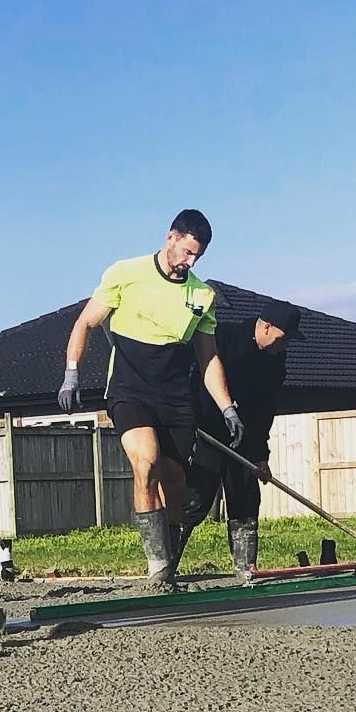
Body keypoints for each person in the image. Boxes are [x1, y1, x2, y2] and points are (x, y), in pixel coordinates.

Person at [58, 210, 243, 587]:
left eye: (197, 257)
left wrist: (228, 407)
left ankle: (169, 560)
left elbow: (208, 357)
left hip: (174, 397)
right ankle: (156, 566)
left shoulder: (202, 296)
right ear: (171, 238)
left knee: (174, 480)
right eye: (187, 252)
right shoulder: (125, 274)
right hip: (130, 390)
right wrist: (71, 372)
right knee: (147, 463)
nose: (189, 262)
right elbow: (85, 322)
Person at [178, 299, 305, 578]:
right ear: (267, 327)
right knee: (195, 501)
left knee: (246, 500)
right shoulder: (222, 337)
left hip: (244, 440)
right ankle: (166, 567)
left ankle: (245, 569)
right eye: (283, 338)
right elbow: (186, 376)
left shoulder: (275, 360)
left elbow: (265, 410)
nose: (285, 346)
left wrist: (261, 455)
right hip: (206, 432)